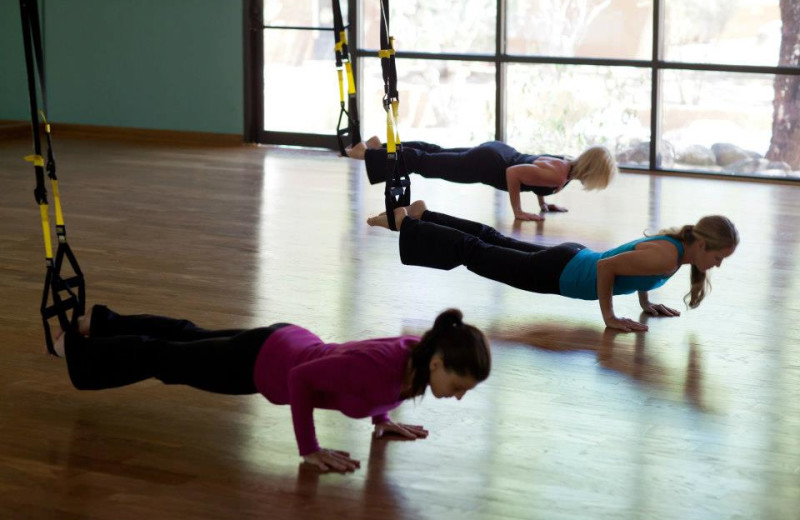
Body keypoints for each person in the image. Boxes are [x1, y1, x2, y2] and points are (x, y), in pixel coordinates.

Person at [51, 304, 491, 472]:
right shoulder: (380, 366)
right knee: (164, 359)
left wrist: (383, 420)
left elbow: (381, 387)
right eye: (458, 384)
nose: (458, 395)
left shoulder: (416, 360)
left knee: (186, 336)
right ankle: (72, 349)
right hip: (263, 363)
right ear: (438, 363)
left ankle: (104, 322)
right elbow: (302, 380)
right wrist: (309, 448)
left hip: (282, 342)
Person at [367, 201, 738, 332]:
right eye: (719, 257)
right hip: (559, 273)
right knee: (474, 252)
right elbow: (609, 267)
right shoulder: (668, 255)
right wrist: (608, 316)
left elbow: (635, 266)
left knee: (491, 241)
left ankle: (424, 214)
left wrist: (644, 303)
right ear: (702, 244)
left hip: (567, 260)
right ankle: (407, 223)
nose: (717, 265)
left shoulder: (674, 252)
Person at [347, 136, 618, 221]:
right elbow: (515, 174)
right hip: (489, 165)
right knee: (427, 164)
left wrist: (544, 204)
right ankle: (366, 155)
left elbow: (534, 174)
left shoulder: (564, 165)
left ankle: (378, 147)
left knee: (434, 154)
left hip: (496, 152)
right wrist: (518, 211)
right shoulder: (558, 177)